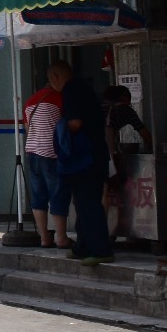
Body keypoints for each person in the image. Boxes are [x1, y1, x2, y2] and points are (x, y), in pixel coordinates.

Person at [56, 84, 114, 265]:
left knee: (89, 205)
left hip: (87, 161)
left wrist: (60, 132)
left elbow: (75, 123)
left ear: (54, 77)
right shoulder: (86, 94)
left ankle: (100, 249)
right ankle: (82, 247)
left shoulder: (71, 91)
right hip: (87, 161)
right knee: (81, 204)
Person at [22, 62, 70, 249]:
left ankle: (44, 238)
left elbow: (28, 129)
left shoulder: (30, 101)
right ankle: (61, 237)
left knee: (39, 196)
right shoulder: (60, 99)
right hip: (51, 153)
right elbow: (65, 128)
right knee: (57, 193)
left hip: (32, 152)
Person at [104, 86, 145, 236]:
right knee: (114, 191)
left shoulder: (100, 108)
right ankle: (114, 228)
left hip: (90, 154)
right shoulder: (125, 110)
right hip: (106, 155)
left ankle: (104, 230)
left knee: (102, 192)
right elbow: (143, 132)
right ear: (123, 98)